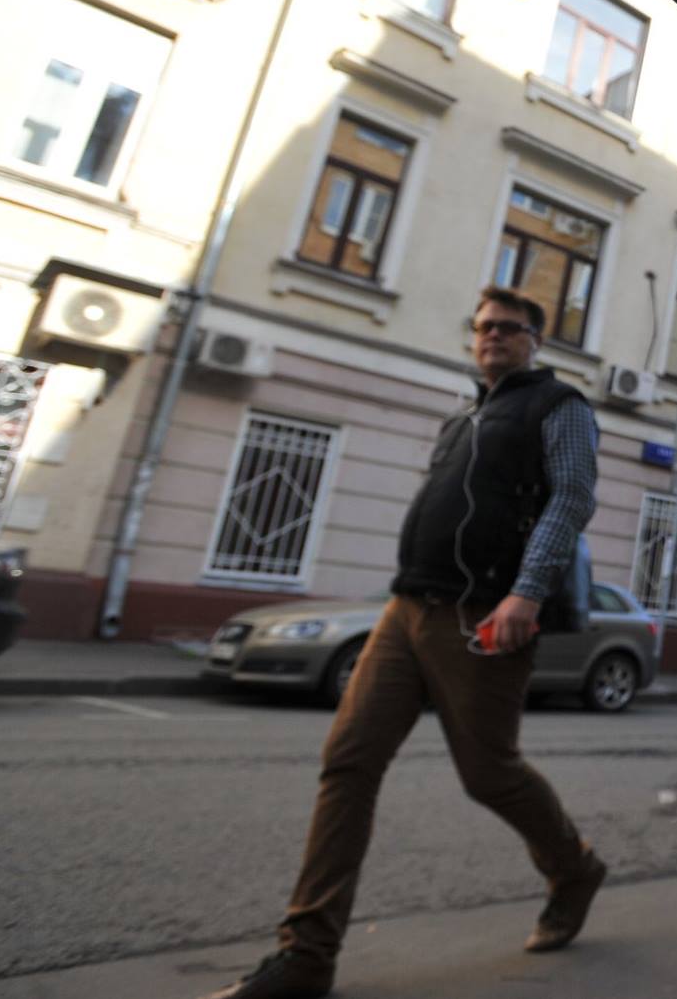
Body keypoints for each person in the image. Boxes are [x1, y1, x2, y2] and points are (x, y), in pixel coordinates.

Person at [208, 287, 608, 999]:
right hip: (407, 607)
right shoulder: (464, 415)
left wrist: (527, 591)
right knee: (348, 761)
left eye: (509, 329)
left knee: (489, 774)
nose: (492, 337)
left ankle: (574, 868)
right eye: (482, 327)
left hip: (483, 614)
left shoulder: (560, 407)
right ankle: (307, 956)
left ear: (535, 341)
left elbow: (571, 496)